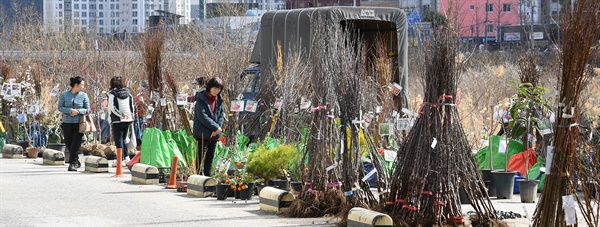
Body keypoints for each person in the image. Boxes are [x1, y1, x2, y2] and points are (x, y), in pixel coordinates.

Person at [193, 77, 225, 176]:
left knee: (210, 157)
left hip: (214, 134)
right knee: (201, 157)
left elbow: (221, 115)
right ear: (209, 87)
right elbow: (202, 116)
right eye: (215, 88)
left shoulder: (219, 100)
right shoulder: (201, 99)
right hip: (203, 132)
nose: (216, 91)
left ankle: (208, 177)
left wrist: (217, 129)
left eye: (219, 89)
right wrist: (215, 128)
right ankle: (198, 177)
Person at [58, 76, 90, 171]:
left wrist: (79, 111)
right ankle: (76, 161)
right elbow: (60, 107)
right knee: (68, 143)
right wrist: (70, 110)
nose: (83, 87)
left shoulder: (84, 95)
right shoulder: (64, 94)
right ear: (76, 85)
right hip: (66, 122)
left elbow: (88, 109)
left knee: (76, 143)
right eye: (82, 85)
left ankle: (72, 164)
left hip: (79, 123)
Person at [107, 76, 135, 166]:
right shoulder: (128, 93)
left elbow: (111, 107)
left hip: (117, 120)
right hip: (128, 119)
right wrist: (131, 117)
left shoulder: (112, 94)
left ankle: (120, 160)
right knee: (123, 139)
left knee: (118, 140)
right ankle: (126, 158)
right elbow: (132, 106)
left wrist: (120, 115)